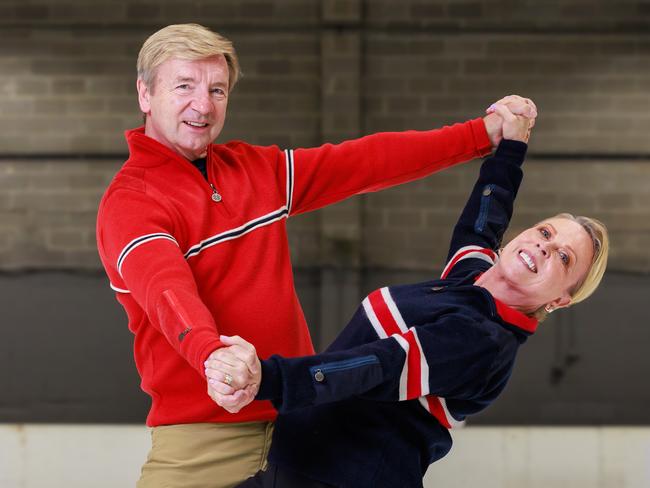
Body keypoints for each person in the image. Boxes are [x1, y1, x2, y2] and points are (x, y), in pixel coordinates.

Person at [95, 22, 536, 488]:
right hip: (208, 439)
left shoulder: (254, 169)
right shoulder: (132, 202)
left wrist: (481, 135)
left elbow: (365, 162)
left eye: (217, 90)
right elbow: (165, 289)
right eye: (184, 86)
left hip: (307, 426)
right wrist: (211, 357)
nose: (202, 105)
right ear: (145, 93)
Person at [204, 104, 609, 488]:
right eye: (545, 232)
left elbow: (377, 365)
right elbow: (483, 223)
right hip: (300, 468)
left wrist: (269, 378)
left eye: (564, 258)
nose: (544, 247)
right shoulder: (469, 286)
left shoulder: (483, 340)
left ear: (561, 300)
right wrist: (512, 145)